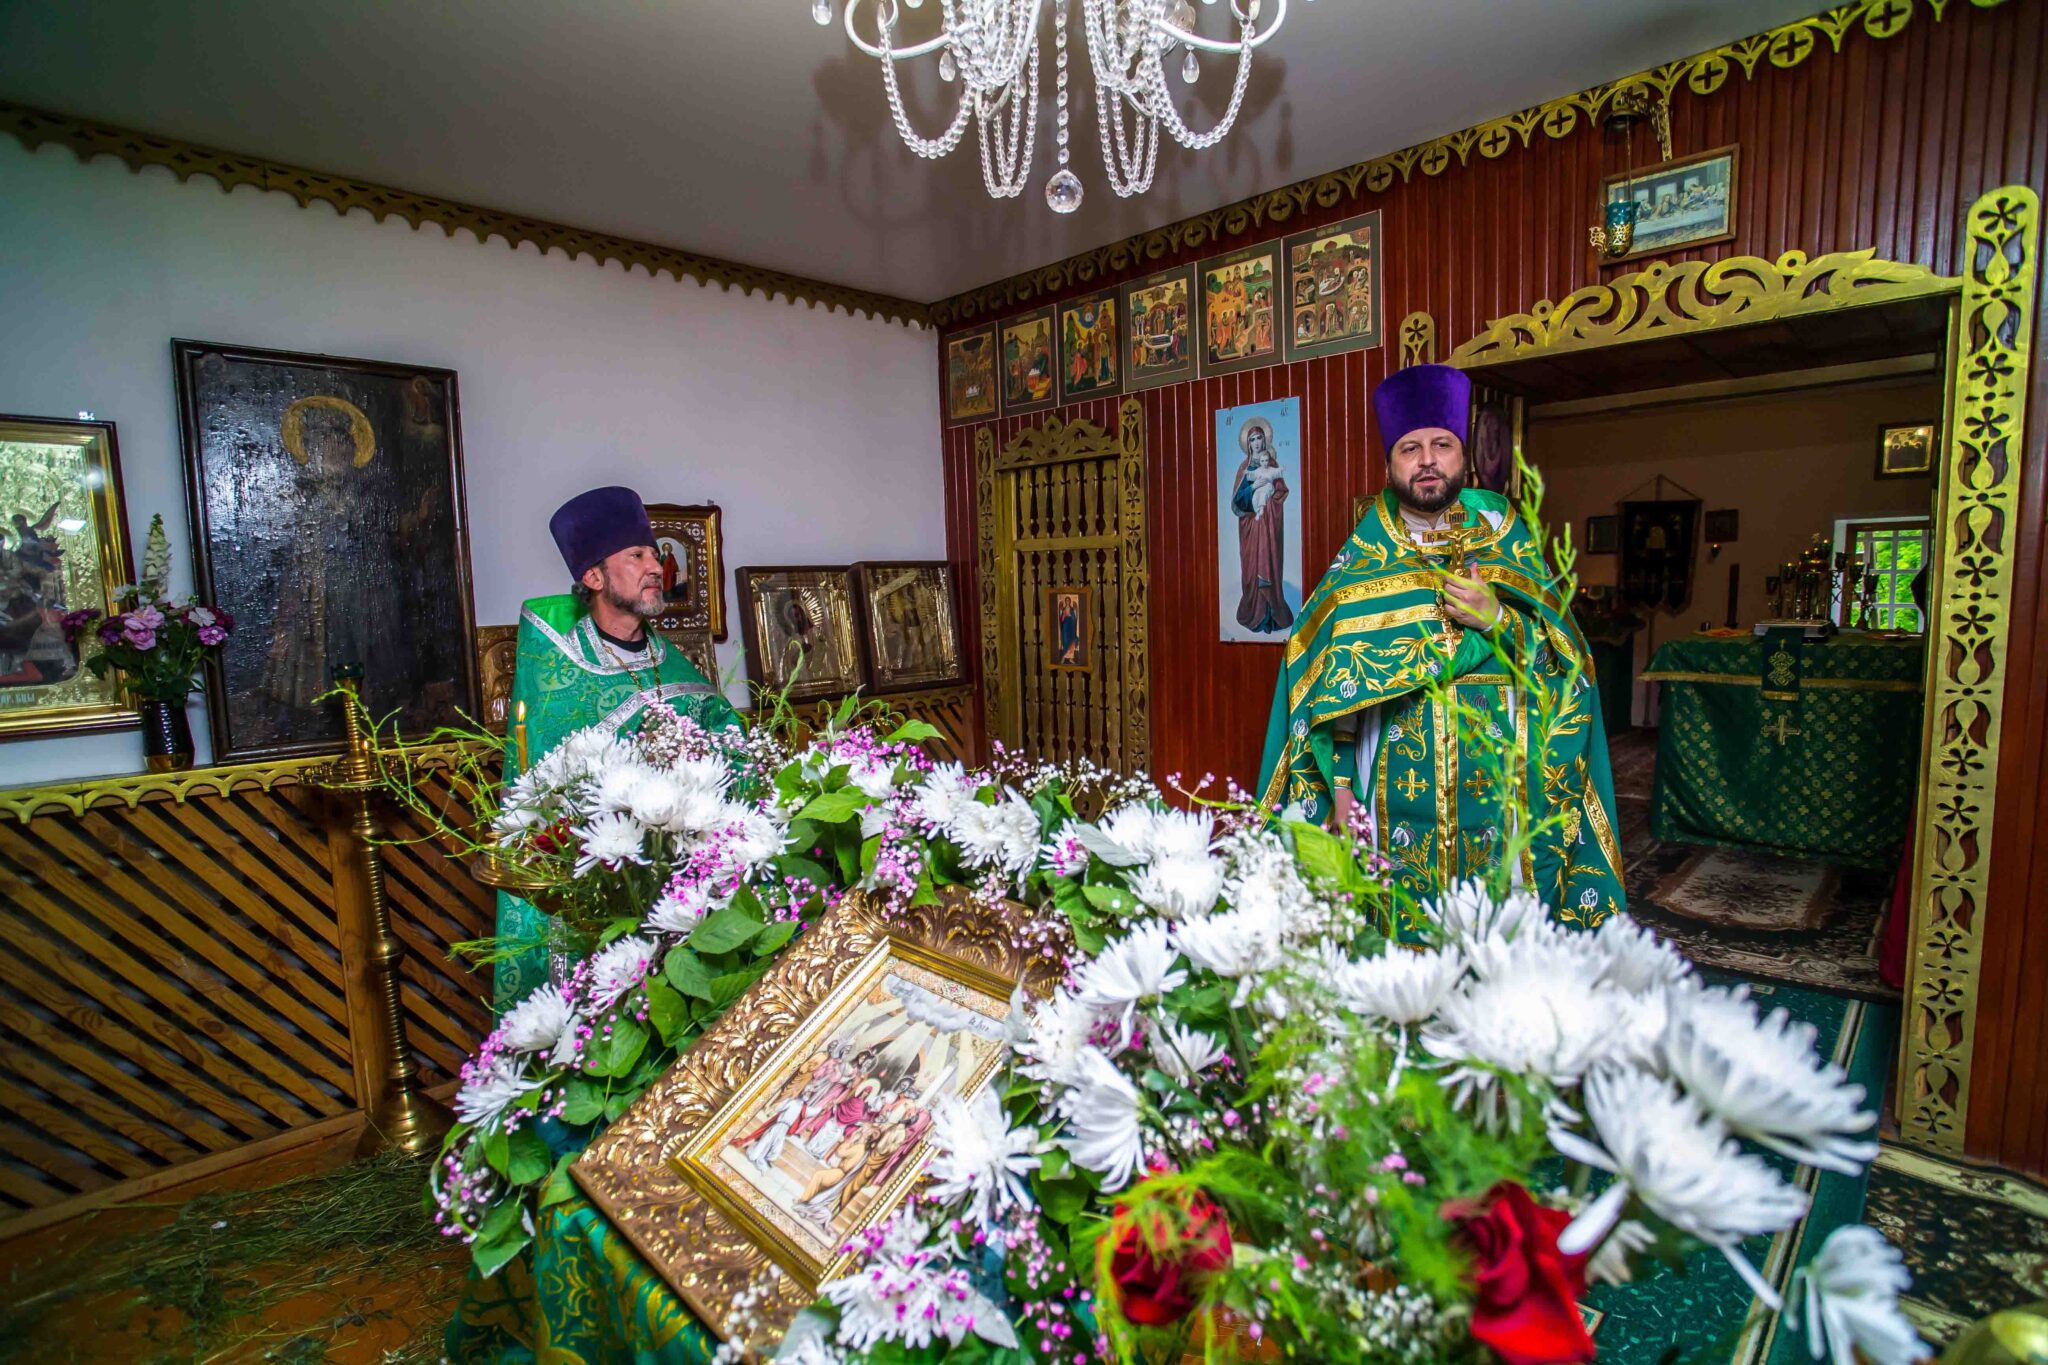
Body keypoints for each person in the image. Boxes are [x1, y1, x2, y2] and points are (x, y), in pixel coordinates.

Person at [1254, 364, 1625, 926]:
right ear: (1390, 464)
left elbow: (1564, 666)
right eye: (1410, 448)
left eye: (1441, 445)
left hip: (1499, 787)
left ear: (1462, 456)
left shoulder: (1506, 535)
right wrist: (1343, 791)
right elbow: (1333, 691)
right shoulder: (1363, 558)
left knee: (1495, 931)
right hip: (1392, 791)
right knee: (1395, 924)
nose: (1427, 460)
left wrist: (1497, 619)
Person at [494, 486, 739, 1007]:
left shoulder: (672, 663)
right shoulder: (558, 674)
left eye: (654, 554)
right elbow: (542, 799)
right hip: (599, 895)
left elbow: (732, 749)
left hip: (685, 888)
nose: (655, 566)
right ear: (594, 577)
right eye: (637, 555)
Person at [1231, 420, 1294, 634]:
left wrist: (1269, 502)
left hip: (1268, 526)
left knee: (1269, 563)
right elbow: (1237, 501)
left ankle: (1271, 616)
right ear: (1248, 444)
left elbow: (1282, 491)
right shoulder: (1244, 468)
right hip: (1250, 526)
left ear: (1264, 440)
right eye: (1252, 439)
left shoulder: (1272, 463)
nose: (1256, 442)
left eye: (1259, 438)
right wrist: (1253, 489)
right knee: (1251, 567)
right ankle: (1254, 613)